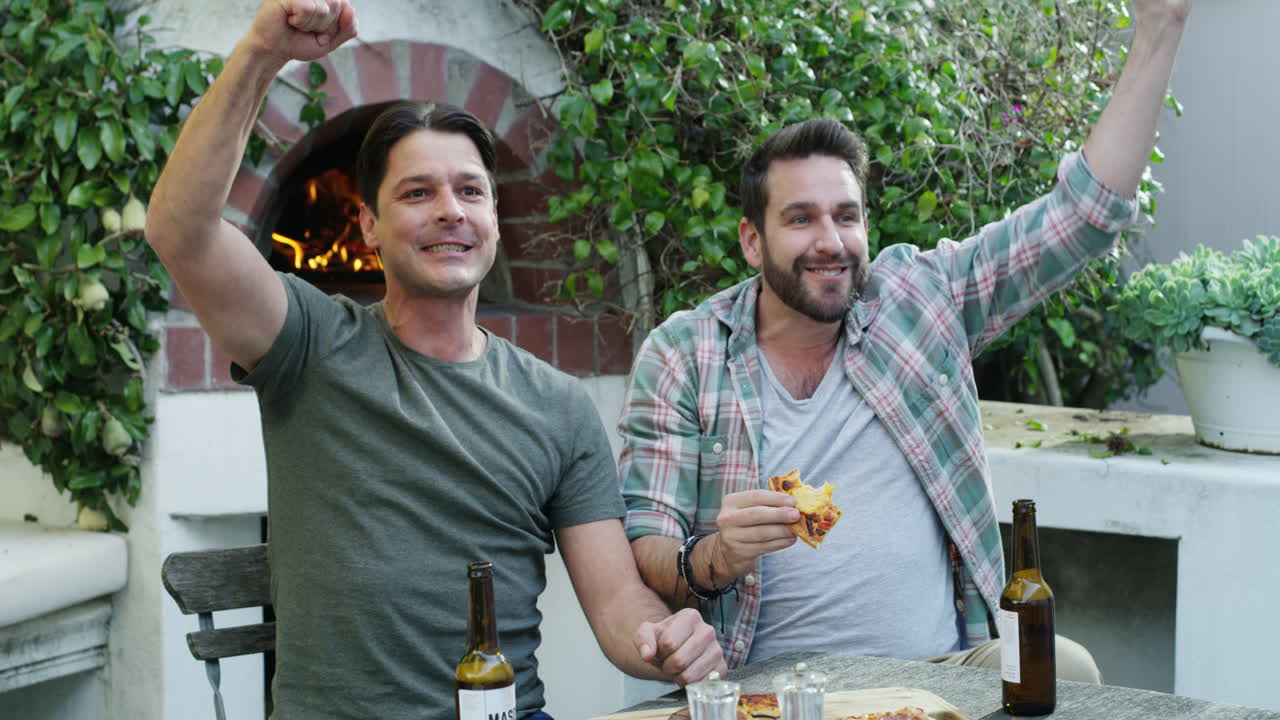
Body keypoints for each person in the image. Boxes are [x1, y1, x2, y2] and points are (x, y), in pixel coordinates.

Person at [144, 1, 725, 717]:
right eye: (417, 193)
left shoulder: (559, 405)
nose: (450, 210)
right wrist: (264, 50)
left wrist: (664, 637)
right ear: (368, 227)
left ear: (493, 221)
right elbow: (179, 228)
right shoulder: (308, 345)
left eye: (469, 191)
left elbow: (614, 599)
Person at [619, 0, 1191, 676]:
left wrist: (1162, 27)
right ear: (752, 240)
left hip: (941, 673)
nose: (829, 242)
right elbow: (648, 547)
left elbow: (1082, 219)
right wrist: (717, 557)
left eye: (846, 216)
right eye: (800, 219)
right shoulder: (684, 354)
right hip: (766, 687)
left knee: (1062, 668)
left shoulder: (919, 301)